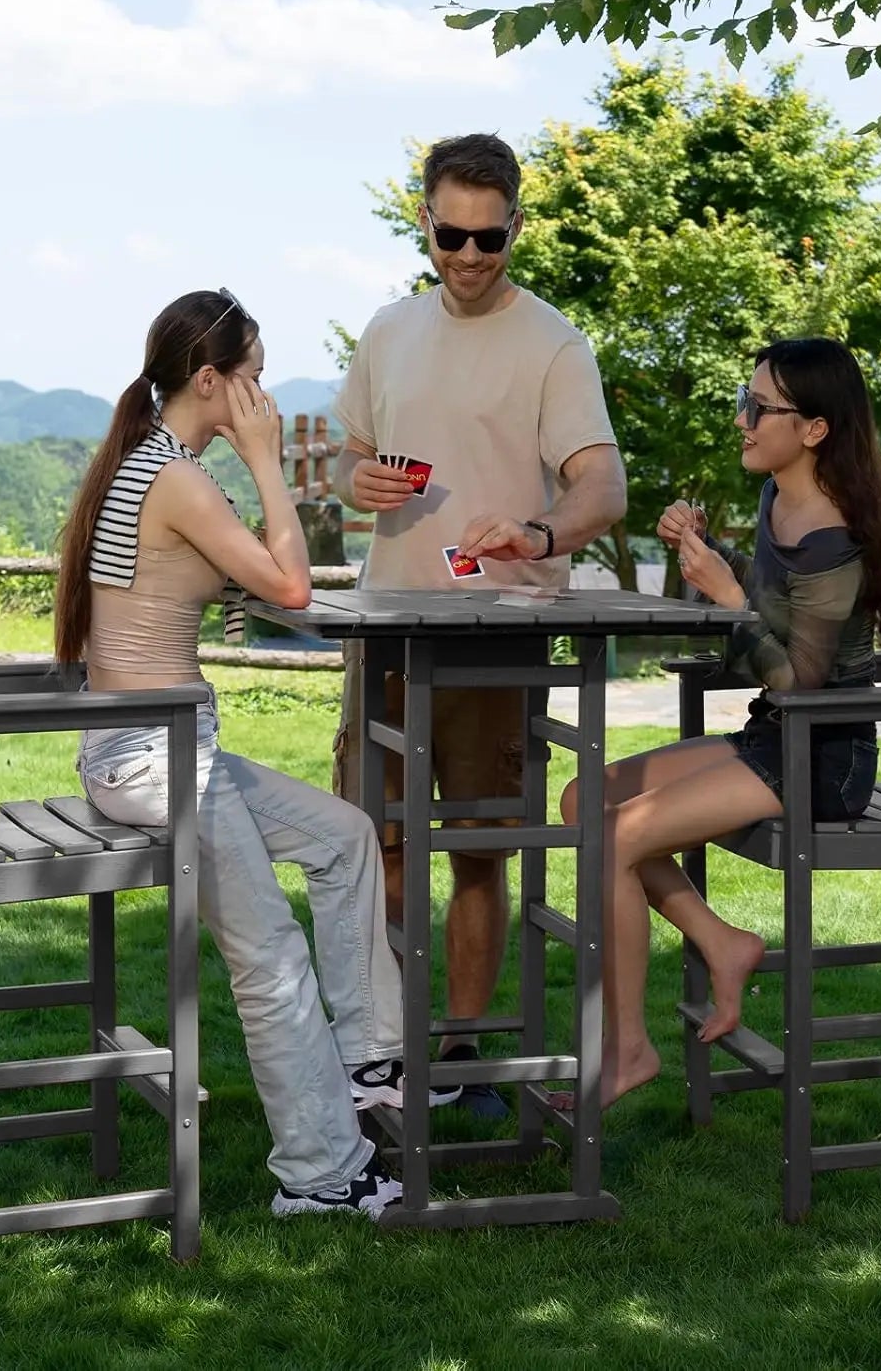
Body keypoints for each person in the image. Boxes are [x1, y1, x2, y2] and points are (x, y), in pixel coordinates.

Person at [54, 288, 430, 1221]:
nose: (263, 397)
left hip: (159, 750)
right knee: (271, 960)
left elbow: (244, 576)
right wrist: (267, 460)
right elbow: (292, 588)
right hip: (158, 758)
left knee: (343, 838)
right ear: (209, 380)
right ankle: (321, 1174)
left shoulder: (155, 461)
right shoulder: (177, 477)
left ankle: (368, 1060)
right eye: (253, 378)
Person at [332, 133, 627, 1117]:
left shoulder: (554, 344)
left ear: (516, 228)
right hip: (386, 623)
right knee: (370, 842)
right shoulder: (387, 332)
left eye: (488, 239)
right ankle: (384, 1046)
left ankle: (459, 1052)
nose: (467, 256)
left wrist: (540, 532)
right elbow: (350, 457)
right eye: (451, 235)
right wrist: (357, 481)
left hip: (497, 632)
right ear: (424, 222)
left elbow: (603, 487)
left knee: (479, 850)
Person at [558, 337, 881, 1109]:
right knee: (583, 800)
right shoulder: (779, 500)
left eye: (758, 408)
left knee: (613, 840)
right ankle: (722, 941)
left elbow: (801, 681)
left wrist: (726, 596)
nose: (741, 421)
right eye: (743, 401)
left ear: (814, 429)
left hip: (825, 757)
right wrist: (707, 551)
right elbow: (774, 609)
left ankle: (628, 1051)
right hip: (776, 737)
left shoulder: (834, 538)